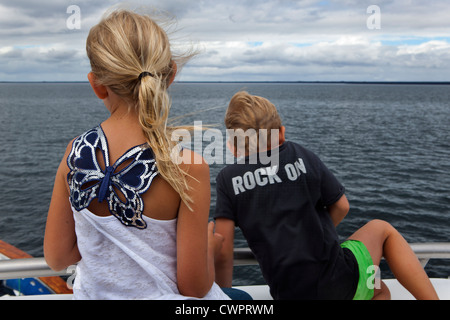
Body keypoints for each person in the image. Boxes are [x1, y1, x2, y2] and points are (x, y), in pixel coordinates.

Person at [44, 9, 230, 300]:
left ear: (96, 85)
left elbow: (57, 258)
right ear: (170, 75)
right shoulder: (188, 166)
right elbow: (193, 288)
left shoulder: (75, 153)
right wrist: (208, 246)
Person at [213, 91, 439, 300]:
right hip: (339, 280)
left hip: (290, 293)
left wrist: (223, 296)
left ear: (233, 147)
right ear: (281, 133)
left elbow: (222, 249)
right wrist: (310, 232)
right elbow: (342, 206)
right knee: (381, 237)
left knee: (377, 285)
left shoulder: (227, 178)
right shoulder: (300, 154)